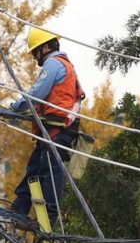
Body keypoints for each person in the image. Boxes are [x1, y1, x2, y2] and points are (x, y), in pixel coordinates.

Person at [8, 28, 84, 228]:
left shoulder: (53, 64)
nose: (35, 57)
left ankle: (48, 218)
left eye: (35, 52)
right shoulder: (65, 66)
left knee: (50, 171)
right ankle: (19, 208)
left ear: (45, 47)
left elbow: (36, 94)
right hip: (54, 130)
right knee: (35, 167)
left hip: (58, 130)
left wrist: (15, 107)